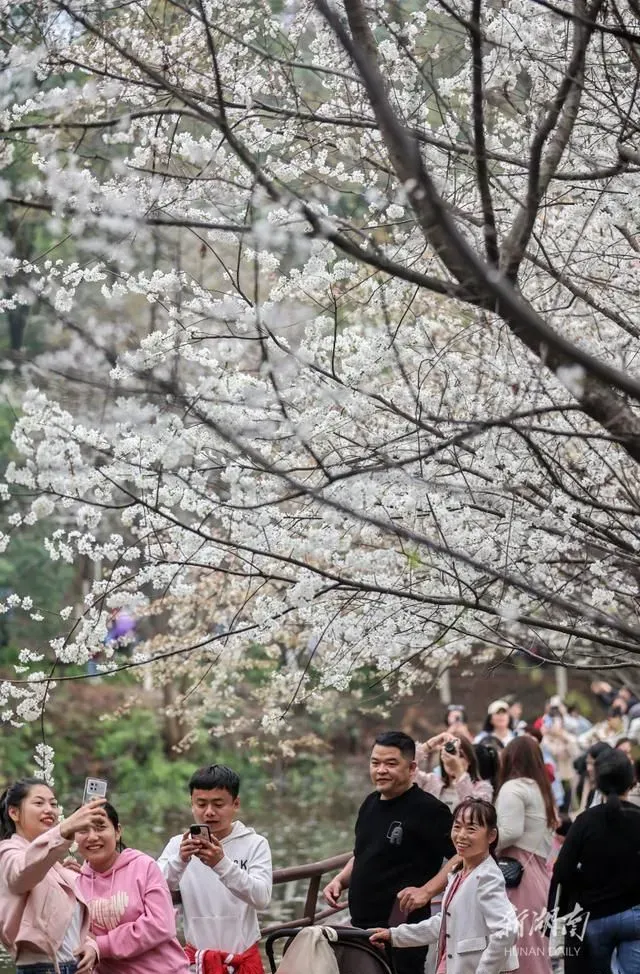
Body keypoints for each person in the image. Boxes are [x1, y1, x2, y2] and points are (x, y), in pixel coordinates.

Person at [322, 731, 455, 974]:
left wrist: (427, 891)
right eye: (375, 763)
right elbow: (363, 853)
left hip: (401, 930)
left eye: (391, 763)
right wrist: (341, 879)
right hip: (361, 928)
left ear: (412, 767)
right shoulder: (370, 803)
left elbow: (461, 857)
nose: (381, 770)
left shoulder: (429, 809)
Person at [369, 798, 519, 974]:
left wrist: (485, 970)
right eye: (457, 827)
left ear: (491, 836)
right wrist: (394, 935)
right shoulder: (459, 872)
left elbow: (507, 930)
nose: (461, 835)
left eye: (471, 829)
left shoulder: (487, 877)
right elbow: (444, 923)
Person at [158, 764, 272, 974]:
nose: (209, 813)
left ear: (235, 804)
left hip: (242, 959)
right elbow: (154, 887)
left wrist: (222, 863)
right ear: (191, 804)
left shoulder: (255, 843)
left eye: (218, 804)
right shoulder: (178, 845)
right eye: (201, 804)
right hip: (198, 962)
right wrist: (180, 860)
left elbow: (262, 898)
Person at [0, 777, 104, 974]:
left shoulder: (54, 864)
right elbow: (22, 873)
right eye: (39, 803)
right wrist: (64, 830)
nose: (49, 809)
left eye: (53, 804)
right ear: (14, 812)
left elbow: (68, 926)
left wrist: (91, 946)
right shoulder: (8, 853)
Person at [552, 748, 640, 973]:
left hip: (593, 915)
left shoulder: (584, 821)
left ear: (597, 781)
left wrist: (583, 881)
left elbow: (562, 870)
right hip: (635, 916)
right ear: (631, 781)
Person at [75, 802, 189, 974]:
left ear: (118, 831)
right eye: (83, 830)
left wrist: (100, 945)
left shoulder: (144, 867)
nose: (92, 837)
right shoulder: (75, 881)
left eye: (100, 828)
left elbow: (161, 924)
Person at [495, 736, 556, 974]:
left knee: (519, 955)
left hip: (516, 877)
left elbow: (509, 832)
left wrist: (477, 843)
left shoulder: (514, 788)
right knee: (534, 951)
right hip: (538, 875)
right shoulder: (541, 791)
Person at [415, 733, 493, 811]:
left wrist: (458, 771)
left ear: (469, 760)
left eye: (461, 755)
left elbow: (475, 812)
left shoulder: (483, 788)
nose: (453, 758)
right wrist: (431, 743)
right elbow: (406, 766)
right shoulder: (430, 781)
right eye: (450, 753)